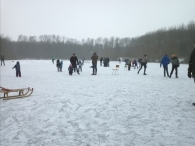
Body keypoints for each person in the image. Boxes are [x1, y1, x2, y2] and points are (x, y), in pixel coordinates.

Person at [187, 41, 195, 106]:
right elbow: (191, 63)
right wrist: (189, 71)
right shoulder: (193, 52)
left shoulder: (193, 52)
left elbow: (191, 63)